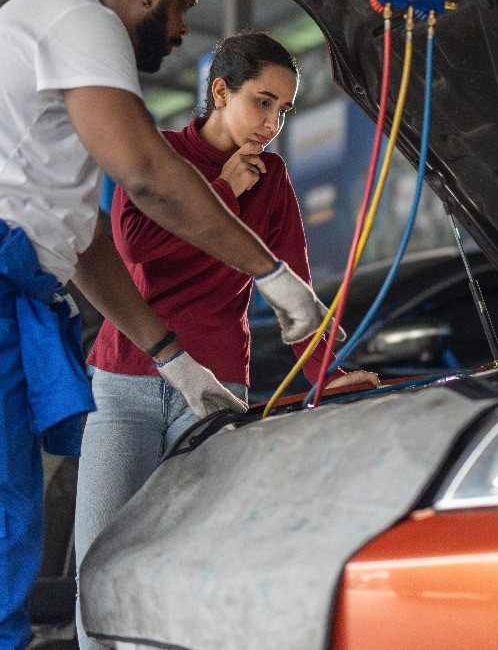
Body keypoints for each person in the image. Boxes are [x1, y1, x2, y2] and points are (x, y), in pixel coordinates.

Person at [0, 0, 327, 650]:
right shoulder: (81, 20)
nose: (182, 32)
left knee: (2, 536)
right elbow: (149, 180)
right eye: (182, 7)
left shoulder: (70, 85)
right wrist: (269, 272)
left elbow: (82, 243)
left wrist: (172, 357)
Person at [73, 32, 379, 649]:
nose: (272, 123)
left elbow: (294, 285)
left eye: (283, 110)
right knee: (98, 566)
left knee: (188, 560)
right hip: (125, 383)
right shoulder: (158, 153)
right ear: (220, 92)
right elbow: (137, 248)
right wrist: (223, 192)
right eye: (262, 102)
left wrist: (326, 373)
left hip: (215, 390)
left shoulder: (275, 179)